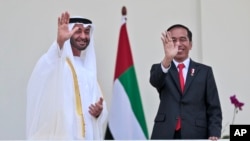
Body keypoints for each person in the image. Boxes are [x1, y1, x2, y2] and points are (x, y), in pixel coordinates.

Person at [26, 11, 108, 140]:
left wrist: (98, 113)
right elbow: (42, 73)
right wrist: (59, 43)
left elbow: (98, 110)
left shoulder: (88, 71)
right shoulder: (59, 63)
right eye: (78, 31)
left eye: (86, 32)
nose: (83, 36)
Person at [150, 24, 222, 140]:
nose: (178, 44)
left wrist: (214, 133)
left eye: (183, 39)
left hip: (196, 133)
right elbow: (155, 81)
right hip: (165, 133)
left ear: (191, 44)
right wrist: (167, 58)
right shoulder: (162, 68)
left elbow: (213, 107)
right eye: (173, 40)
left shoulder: (205, 72)